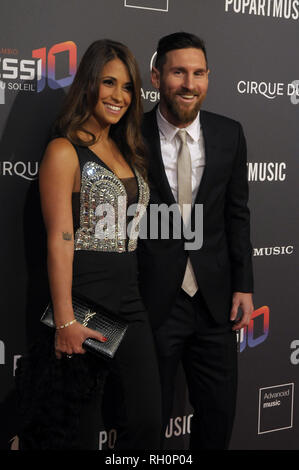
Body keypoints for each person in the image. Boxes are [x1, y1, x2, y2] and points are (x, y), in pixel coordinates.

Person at [15, 39, 162, 450]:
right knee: (78, 431)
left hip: (129, 301)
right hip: (82, 303)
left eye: (128, 87)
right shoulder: (64, 151)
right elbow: (60, 239)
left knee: (149, 421)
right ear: (88, 85)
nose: (119, 95)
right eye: (109, 83)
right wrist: (64, 321)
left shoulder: (125, 149)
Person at [138, 32, 254, 450]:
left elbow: (236, 215)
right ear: (156, 76)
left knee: (217, 420)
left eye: (199, 73)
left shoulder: (230, 134)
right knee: (147, 425)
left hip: (216, 306)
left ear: (208, 78)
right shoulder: (131, 135)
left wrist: (244, 285)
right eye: (179, 72)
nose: (190, 83)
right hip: (152, 306)